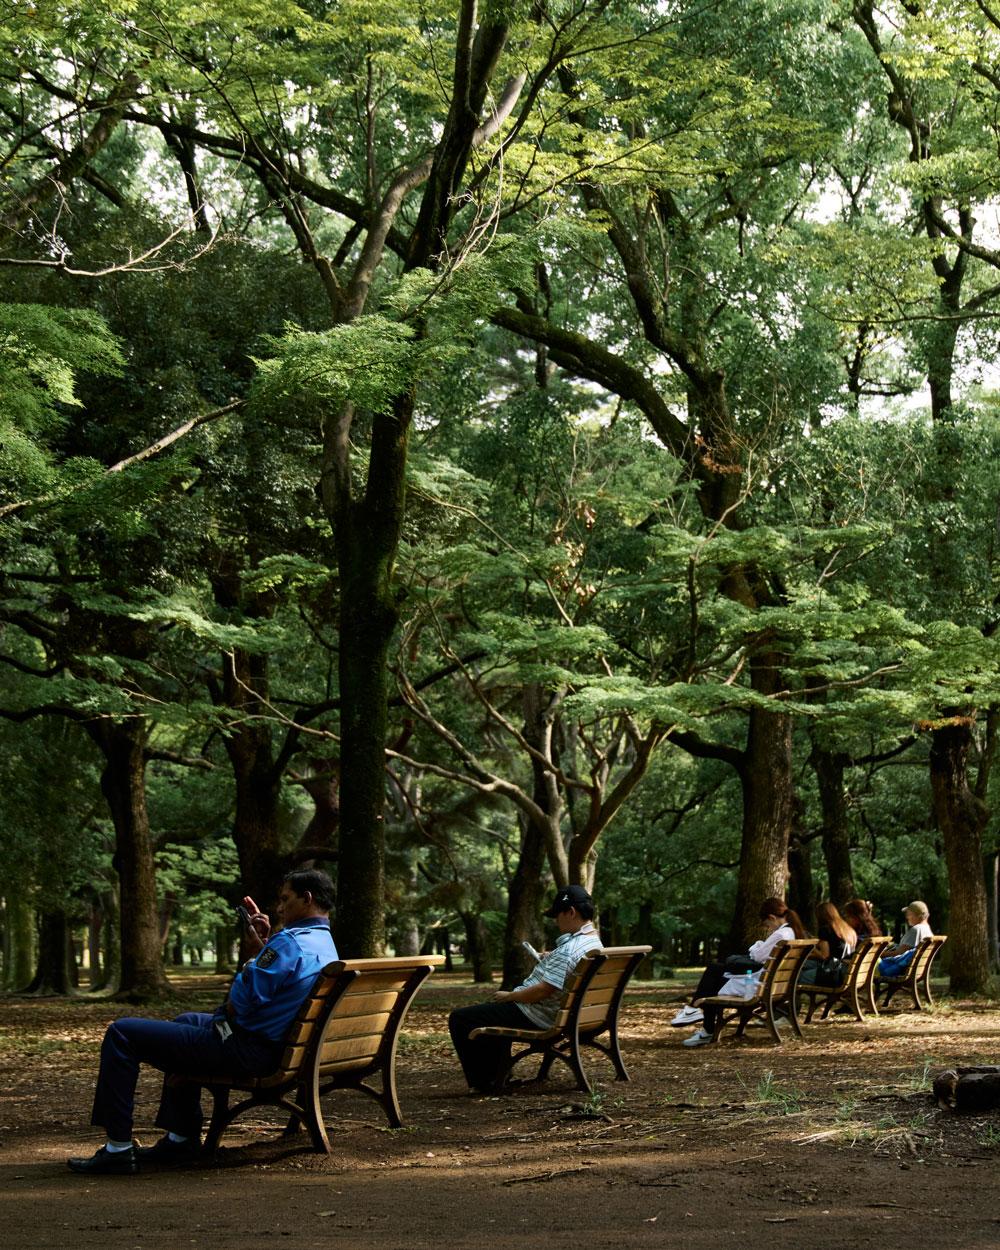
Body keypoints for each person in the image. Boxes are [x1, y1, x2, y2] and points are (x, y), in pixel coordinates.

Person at [67, 868, 338, 1176]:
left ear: (307, 899)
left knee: (121, 1033)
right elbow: (278, 984)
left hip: (249, 1051)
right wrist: (266, 947)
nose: (278, 908)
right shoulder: (323, 942)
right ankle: (180, 1137)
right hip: (281, 1047)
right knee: (186, 1020)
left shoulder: (288, 944)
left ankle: (117, 1148)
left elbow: (240, 1005)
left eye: (285, 899)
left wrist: (253, 957)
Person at [448, 884, 602, 1094]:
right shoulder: (593, 943)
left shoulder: (568, 950)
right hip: (570, 1014)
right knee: (491, 1013)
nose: (556, 920)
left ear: (571, 912)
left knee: (461, 1018)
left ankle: (486, 1081)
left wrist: (511, 995)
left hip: (539, 1015)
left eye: (557, 915)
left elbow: (542, 991)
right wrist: (551, 960)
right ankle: (498, 1075)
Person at [673, 897, 806, 1048]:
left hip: (758, 986)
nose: (769, 928)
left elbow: (757, 955)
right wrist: (760, 947)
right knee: (716, 970)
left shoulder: (780, 935)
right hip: (775, 986)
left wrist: (756, 945)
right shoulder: (792, 932)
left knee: (713, 974)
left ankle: (702, 1024)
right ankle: (697, 1017)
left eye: (767, 924)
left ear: (772, 917)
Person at [798, 901, 857, 986]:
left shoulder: (826, 929)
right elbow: (839, 948)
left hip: (833, 972)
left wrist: (811, 948)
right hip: (847, 971)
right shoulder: (848, 929)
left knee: (796, 975)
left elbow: (824, 956)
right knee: (804, 964)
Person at [877, 900, 932, 979]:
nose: (906, 917)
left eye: (908, 914)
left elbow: (899, 953)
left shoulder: (916, 930)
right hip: (915, 970)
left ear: (916, 915)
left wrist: (879, 953)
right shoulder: (927, 929)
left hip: (895, 970)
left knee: (868, 962)